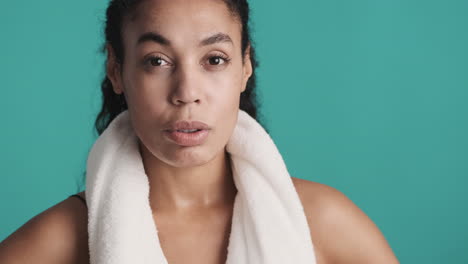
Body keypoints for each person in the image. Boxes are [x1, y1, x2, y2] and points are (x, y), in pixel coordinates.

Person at [0, 0, 399, 263]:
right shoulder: (59, 242)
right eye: (156, 60)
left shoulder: (324, 223)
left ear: (245, 67)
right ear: (116, 70)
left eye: (214, 59)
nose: (187, 93)